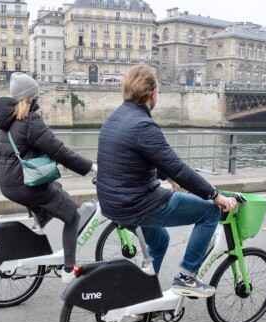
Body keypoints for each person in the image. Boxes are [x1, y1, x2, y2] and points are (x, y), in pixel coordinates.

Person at [96, 65, 237, 298]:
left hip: (113, 203)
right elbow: (178, 167)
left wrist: (164, 175)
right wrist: (215, 195)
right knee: (210, 212)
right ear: (152, 93)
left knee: (160, 243)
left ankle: (140, 298)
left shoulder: (114, 118)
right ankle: (187, 277)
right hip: (136, 204)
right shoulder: (143, 125)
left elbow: (133, 159)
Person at [0, 72, 97, 283]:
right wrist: (91, 167)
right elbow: (59, 148)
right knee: (72, 215)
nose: (39, 98)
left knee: (56, 187)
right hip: (24, 183)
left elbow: (29, 147)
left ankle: (41, 223)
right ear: (30, 98)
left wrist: (55, 158)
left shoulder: (9, 120)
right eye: (36, 95)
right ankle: (68, 269)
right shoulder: (29, 120)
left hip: (8, 181)